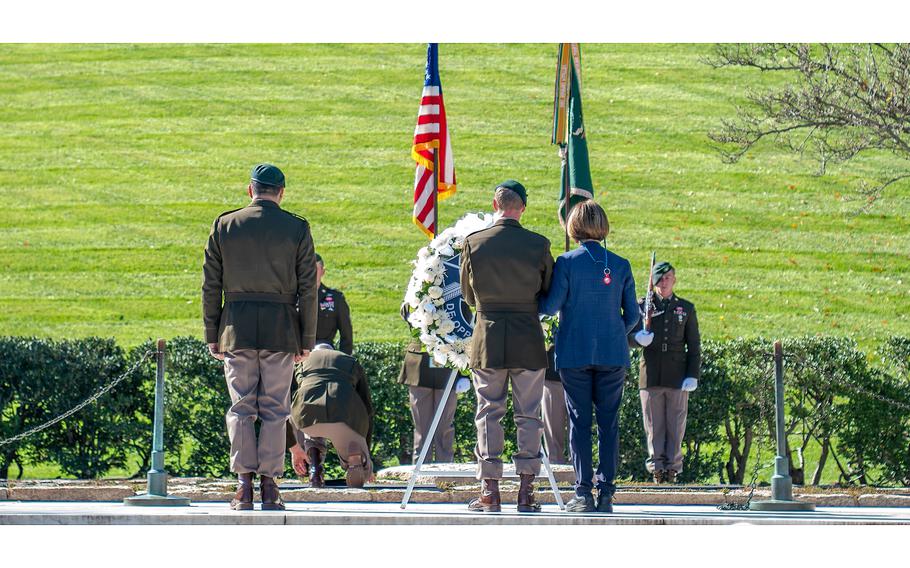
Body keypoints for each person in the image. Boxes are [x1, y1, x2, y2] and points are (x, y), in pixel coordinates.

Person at [202, 163, 318, 511]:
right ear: (280, 193)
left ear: (250, 190)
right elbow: (308, 288)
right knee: (274, 408)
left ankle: (243, 485)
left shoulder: (225, 224)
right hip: (281, 330)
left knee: (241, 407)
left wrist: (212, 332)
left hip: (235, 328)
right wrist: (307, 338)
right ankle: (269, 485)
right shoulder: (296, 227)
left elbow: (211, 285)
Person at [539, 200, 639, 513]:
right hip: (612, 353)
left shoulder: (567, 262)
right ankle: (606, 492)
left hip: (574, 352)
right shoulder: (621, 264)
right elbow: (633, 315)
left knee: (579, 422)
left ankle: (583, 492)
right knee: (609, 424)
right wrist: (613, 332)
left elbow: (551, 306)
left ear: (574, 228)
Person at [460, 179, 554, 513]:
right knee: (529, 414)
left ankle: (490, 490)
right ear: (522, 207)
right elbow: (546, 293)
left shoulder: (474, 243)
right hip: (527, 336)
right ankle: (527, 491)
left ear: (494, 203)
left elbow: (469, 297)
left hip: (488, 337)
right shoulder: (538, 244)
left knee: (488, 411)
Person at [629, 261, 701, 484]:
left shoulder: (686, 308)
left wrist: (692, 374)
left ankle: (673, 468)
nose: (664, 281)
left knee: (676, 424)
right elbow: (627, 335)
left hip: (677, 375)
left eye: (668, 276)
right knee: (653, 425)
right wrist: (636, 339)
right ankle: (657, 468)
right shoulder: (643, 306)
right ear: (654, 281)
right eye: (660, 278)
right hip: (650, 374)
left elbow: (694, 345)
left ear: (675, 279)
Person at [287, 344, 375, 488]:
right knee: (355, 449)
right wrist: (366, 449)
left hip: (307, 414)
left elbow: (286, 400)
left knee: (304, 417)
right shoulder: (351, 361)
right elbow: (368, 409)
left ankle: (314, 467)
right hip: (344, 413)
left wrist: (294, 448)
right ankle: (355, 458)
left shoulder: (301, 361)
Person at [397, 303, 459, 464]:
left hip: (447, 360)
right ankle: (421, 473)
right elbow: (407, 313)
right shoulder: (416, 289)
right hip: (420, 363)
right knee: (422, 428)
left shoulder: (454, 288)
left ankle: (445, 472)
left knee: (445, 427)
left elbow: (464, 321)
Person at [315, 253, 354, 355]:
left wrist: (345, 359)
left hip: (324, 351)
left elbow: (346, 333)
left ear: (323, 271)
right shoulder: (293, 298)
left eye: (315, 269)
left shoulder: (335, 298)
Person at [542, 347, 570, 465]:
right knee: (553, 431)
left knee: (579, 429)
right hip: (551, 376)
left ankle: (580, 469)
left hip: (580, 374)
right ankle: (555, 469)